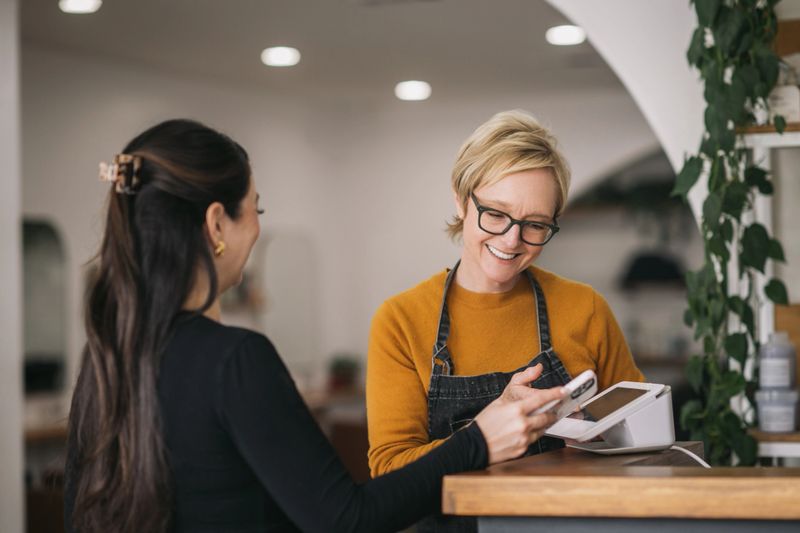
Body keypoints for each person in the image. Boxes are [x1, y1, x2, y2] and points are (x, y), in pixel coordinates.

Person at [64, 119, 567, 533]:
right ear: (217, 224)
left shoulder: (107, 356)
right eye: (255, 209)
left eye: (536, 223)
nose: (258, 227)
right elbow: (346, 520)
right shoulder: (235, 359)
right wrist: (479, 439)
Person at [366, 110, 646, 531]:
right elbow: (390, 475)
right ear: (462, 202)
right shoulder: (401, 320)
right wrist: (484, 435)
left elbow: (644, 438)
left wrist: (593, 435)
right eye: (495, 214)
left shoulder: (585, 308)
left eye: (534, 224)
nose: (512, 240)